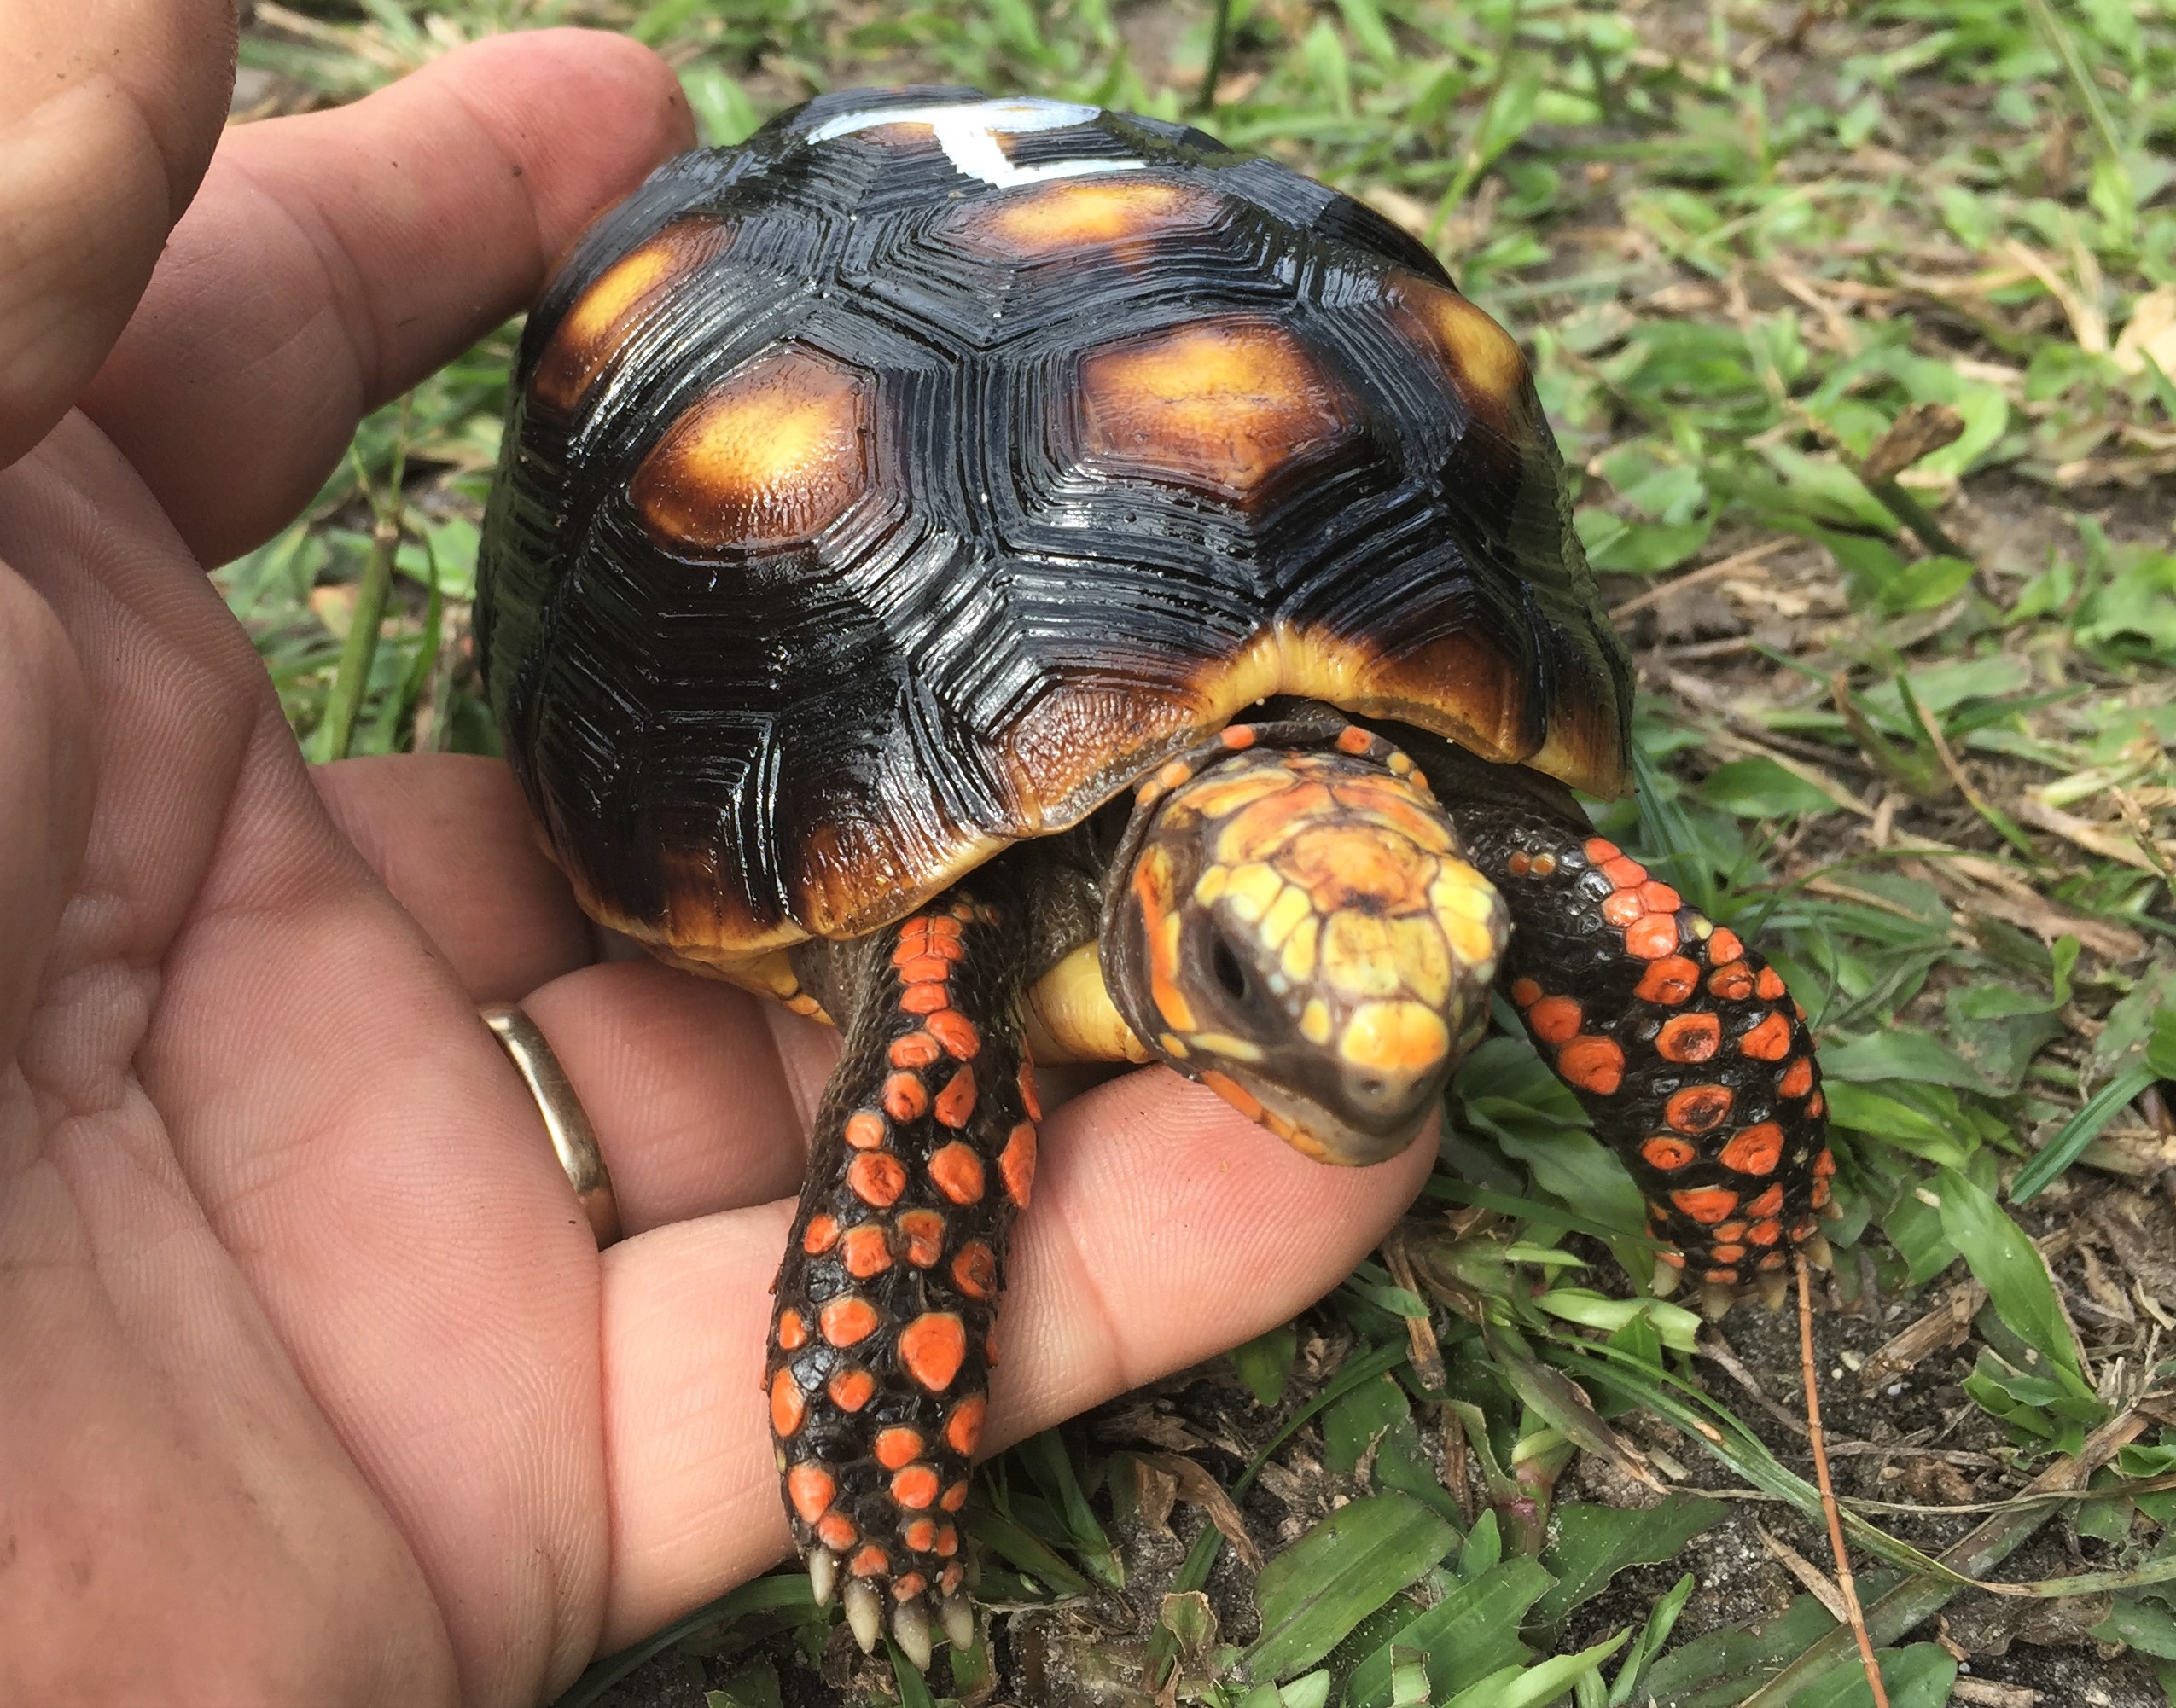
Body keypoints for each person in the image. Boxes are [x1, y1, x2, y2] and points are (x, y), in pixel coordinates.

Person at [0, 13, 1437, 1704]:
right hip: (807, 582)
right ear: (1169, 910)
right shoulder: (966, 926)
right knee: (933, 1026)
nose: (1377, 1059)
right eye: (1247, 975)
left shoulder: (1423, 851)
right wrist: (881, 1418)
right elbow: (925, 1097)